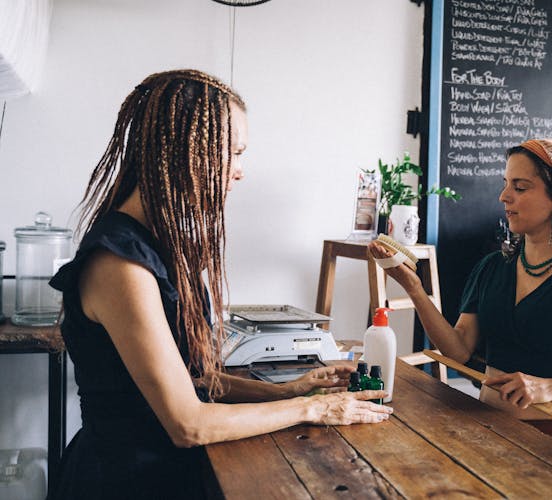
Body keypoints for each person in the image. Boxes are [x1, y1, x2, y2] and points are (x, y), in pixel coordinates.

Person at [48, 69, 391, 499]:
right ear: (184, 152)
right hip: (127, 483)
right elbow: (188, 423)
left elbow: (193, 378)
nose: (240, 171)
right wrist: (314, 407)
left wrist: (287, 390)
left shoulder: (158, 245)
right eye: (234, 152)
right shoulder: (119, 266)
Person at [369, 138, 552, 460]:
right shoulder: (493, 267)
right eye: (505, 185)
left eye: (521, 187)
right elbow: (457, 350)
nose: (504, 197)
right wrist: (414, 288)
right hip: (484, 428)